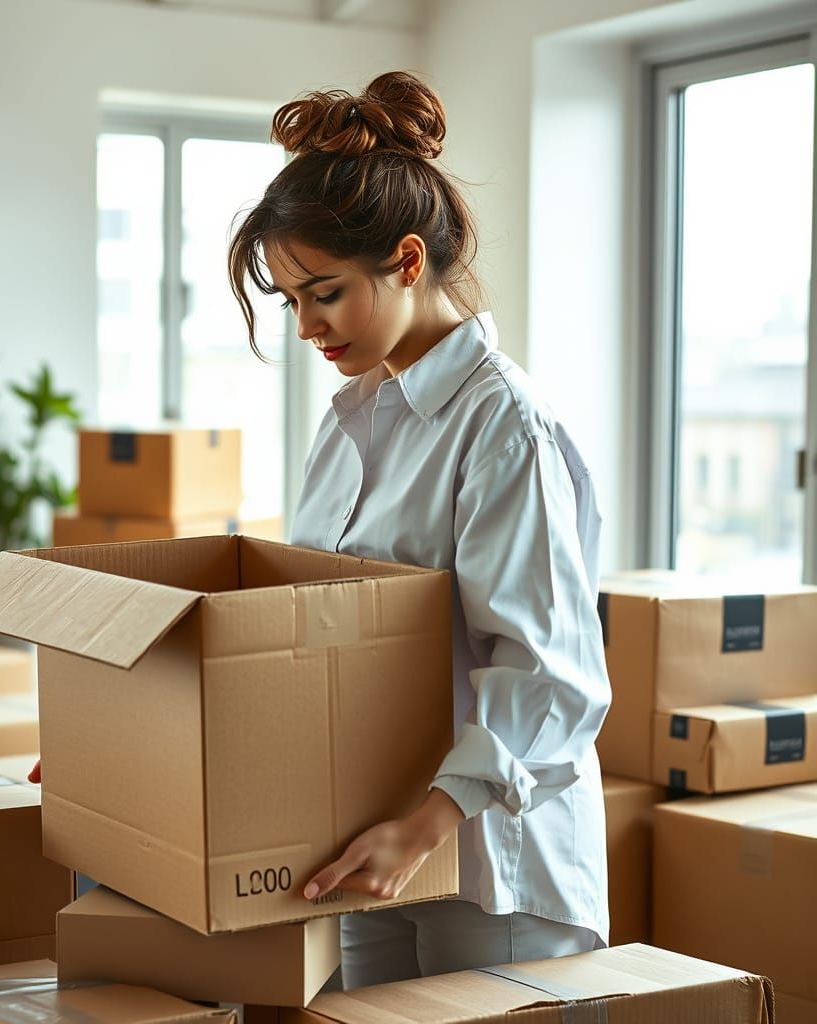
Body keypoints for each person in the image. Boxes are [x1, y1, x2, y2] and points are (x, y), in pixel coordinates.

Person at [225, 71, 611, 988]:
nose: (307, 326)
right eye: (289, 302)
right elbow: (307, 624)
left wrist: (427, 822)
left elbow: (550, 675)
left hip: (488, 859)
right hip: (369, 838)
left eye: (324, 292)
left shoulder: (501, 424)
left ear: (405, 260)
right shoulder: (352, 420)